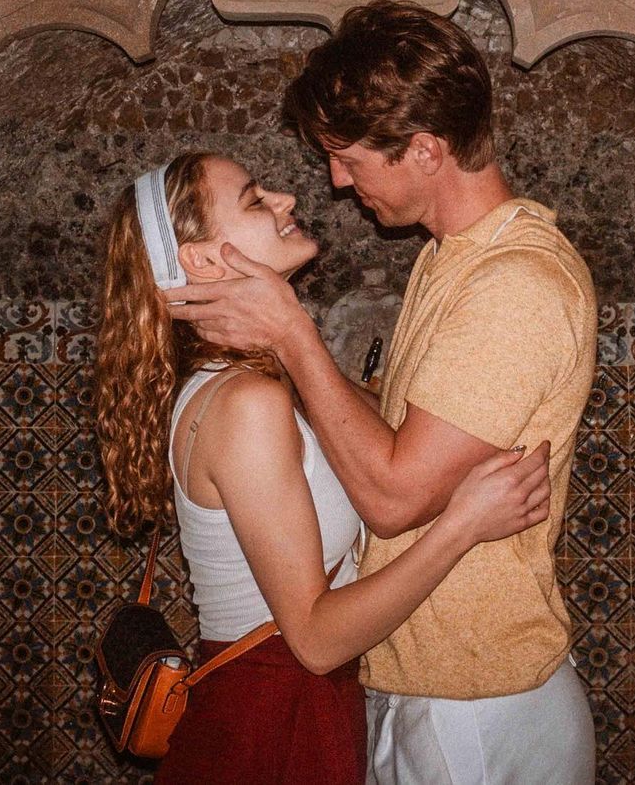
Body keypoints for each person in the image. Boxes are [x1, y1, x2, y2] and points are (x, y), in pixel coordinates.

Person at [168, 1, 599, 785]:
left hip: (478, 697)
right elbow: (403, 434)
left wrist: (294, 334)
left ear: (425, 150)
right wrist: (286, 357)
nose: (336, 181)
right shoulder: (451, 257)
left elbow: (395, 498)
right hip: (435, 684)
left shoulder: (515, 284)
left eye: (349, 158)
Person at [94, 150, 554, 785]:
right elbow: (314, 640)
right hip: (272, 722)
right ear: (202, 261)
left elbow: (379, 438)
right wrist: (464, 524)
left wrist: (295, 339)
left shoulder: (253, 383)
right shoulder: (246, 404)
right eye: (255, 200)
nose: (285, 199)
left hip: (288, 709)